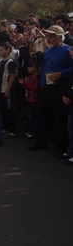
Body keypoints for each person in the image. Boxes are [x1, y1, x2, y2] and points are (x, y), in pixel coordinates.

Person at [28, 25, 73, 153]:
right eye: (48, 36)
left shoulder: (67, 50)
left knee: (59, 118)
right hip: (45, 86)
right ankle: (41, 141)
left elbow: (72, 68)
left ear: (59, 37)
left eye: (52, 36)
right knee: (41, 116)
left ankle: (61, 146)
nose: (49, 39)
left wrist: (61, 73)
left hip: (58, 87)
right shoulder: (48, 51)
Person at [0, 42, 17, 137]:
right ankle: (5, 127)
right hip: (1, 88)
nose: (0, 52)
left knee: (9, 110)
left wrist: (7, 90)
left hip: (6, 89)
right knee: (3, 109)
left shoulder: (10, 62)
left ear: (8, 50)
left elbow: (12, 76)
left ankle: (12, 130)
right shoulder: (2, 61)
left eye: (2, 50)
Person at [18, 60, 39, 139]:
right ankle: (31, 130)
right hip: (28, 98)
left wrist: (27, 83)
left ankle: (34, 132)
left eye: (31, 67)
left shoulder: (36, 78)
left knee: (33, 116)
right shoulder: (29, 77)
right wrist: (23, 83)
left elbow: (34, 88)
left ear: (36, 68)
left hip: (34, 100)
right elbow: (26, 87)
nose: (28, 69)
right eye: (28, 67)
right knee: (29, 116)